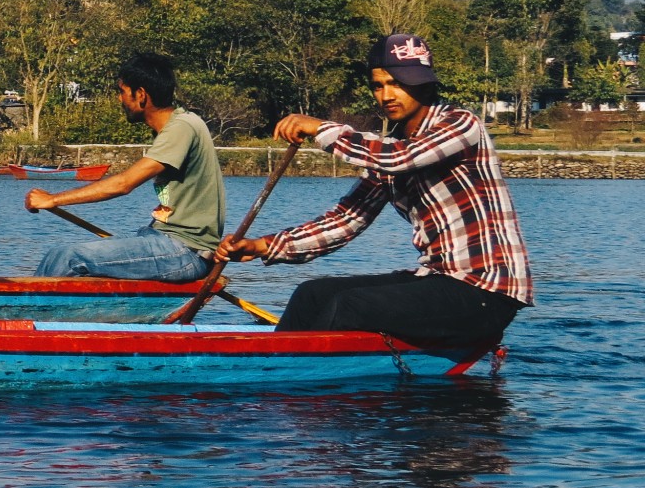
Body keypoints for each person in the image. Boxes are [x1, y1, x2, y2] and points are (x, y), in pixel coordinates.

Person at [214, 33, 531, 351]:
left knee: (348, 305)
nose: (386, 95)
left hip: (486, 291)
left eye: (397, 84)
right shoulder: (389, 147)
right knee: (312, 294)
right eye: (378, 86)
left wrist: (319, 128)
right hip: (440, 279)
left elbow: (400, 159)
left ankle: (298, 381)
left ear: (423, 84)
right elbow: (345, 220)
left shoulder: (461, 125)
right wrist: (263, 246)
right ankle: (272, 367)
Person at [26, 52, 225, 282]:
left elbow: (124, 184)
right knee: (64, 258)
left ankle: (27, 315)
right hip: (162, 240)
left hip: (184, 252)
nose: (120, 100)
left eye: (122, 92)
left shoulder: (182, 128)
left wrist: (53, 199)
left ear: (141, 94)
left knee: (67, 256)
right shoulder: (180, 124)